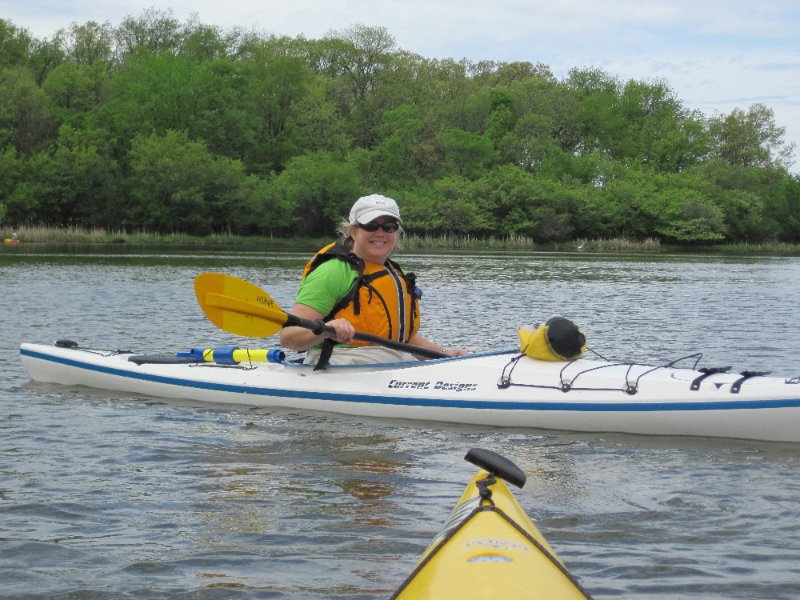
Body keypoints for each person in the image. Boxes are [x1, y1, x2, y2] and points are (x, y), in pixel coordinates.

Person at [280, 194, 468, 367]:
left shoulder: (395, 273)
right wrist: (325, 330)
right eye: (371, 225)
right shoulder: (333, 271)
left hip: (390, 364)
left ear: (396, 232)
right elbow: (289, 337)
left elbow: (403, 338)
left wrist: (445, 354)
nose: (380, 233)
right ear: (353, 231)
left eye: (389, 226)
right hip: (341, 365)